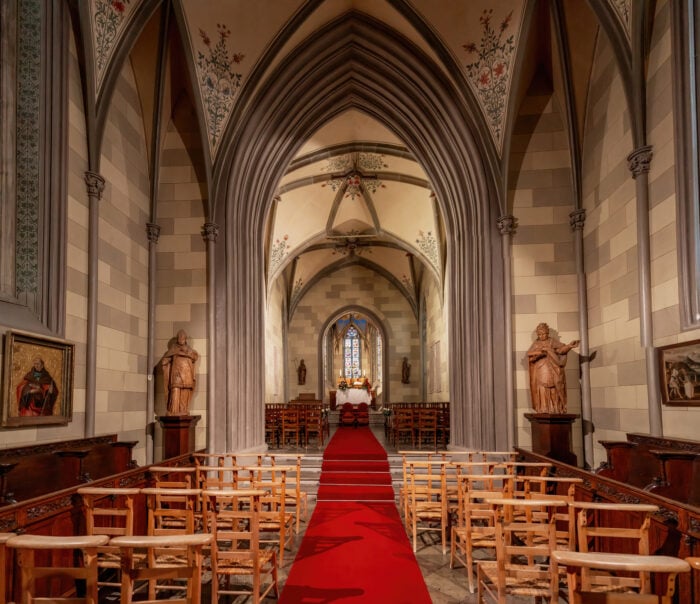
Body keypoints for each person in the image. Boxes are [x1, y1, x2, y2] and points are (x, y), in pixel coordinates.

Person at [527, 323, 579, 414]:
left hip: (553, 369)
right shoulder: (536, 343)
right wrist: (541, 352)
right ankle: (543, 408)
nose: (542, 336)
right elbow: (529, 353)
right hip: (541, 370)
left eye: (544, 334)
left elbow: (561, 350)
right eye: (540, 334)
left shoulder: (552, 341)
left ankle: (555, 408)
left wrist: (569, 346)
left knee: (554, 388)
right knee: (543, 389)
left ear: (548, 333)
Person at [161, 329, 199, 415]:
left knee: (184, 393)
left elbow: (195, 356)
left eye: (183, 337)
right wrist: (165, 363)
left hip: (187, 375)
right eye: (179, 336)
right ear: (177, 338)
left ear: (185, 339)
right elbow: (165, 359)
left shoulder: (189, 350)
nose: (181, 338)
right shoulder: (173, 349)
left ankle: (183, 410)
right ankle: (173, 411)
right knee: (175, 391)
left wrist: (186, 354)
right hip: (176, 375)